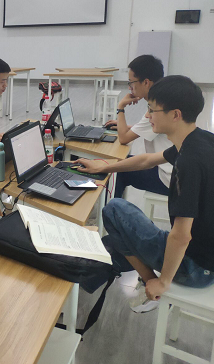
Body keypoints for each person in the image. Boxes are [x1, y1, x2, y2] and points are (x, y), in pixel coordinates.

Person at [77, 76, 214, 313]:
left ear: (175, 115)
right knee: (116, 237)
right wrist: (105, 167)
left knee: (114, 209)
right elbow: (147, 160)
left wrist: (164, 281)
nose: (148, 115)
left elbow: (181, 236)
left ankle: (151, 284)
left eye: (152, 110)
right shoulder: (201, 139)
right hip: (206, 255)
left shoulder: (188, 162)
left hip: (195, 267)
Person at [105, 55, 172, 198]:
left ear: (146, 82)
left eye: (131, 82)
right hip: (172, 168)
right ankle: (114, 206)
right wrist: (129, 126)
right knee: (123, 163)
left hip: (167, 177)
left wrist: (121, 107)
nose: (130, 87)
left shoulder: (157, 107)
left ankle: (111, 208)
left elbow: (124, 138)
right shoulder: (164, 98)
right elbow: (151, 129)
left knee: (119, 171)